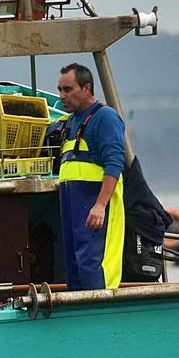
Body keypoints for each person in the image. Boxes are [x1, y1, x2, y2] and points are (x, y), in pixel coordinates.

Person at [55, 62, 126, 290]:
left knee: (93, 266)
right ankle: (79, 318)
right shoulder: (71, 121)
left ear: (86, 89)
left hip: (95, 206)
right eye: (60, 90)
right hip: (73, 207)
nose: (62, 96)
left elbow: (115, 162)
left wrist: (100, 205)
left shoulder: (105, 117)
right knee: (74, 265)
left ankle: (102, 315)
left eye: (68, 89)